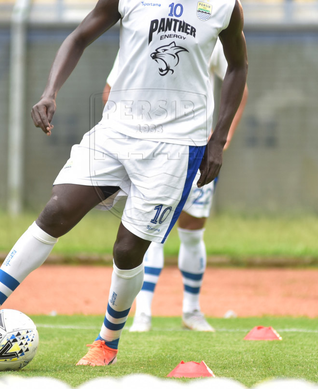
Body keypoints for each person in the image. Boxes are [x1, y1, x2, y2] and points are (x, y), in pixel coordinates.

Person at [0, 0, 248, 367]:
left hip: (177, 146)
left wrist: (218, 137)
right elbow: (78, 37)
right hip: (117, 131)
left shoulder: (224, 4)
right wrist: (50, 91)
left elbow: (237, 67)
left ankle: (107, 343)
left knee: (127, 250)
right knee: (56, 211)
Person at [102, 40, 249, 333]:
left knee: (193, 231)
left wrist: (223, 137)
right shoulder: (141, 33)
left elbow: (239, 83)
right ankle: (142, 313)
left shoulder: (209, 31)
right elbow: (110, 91)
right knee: (149, 231)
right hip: (151, 154)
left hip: (194, 150)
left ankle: (191, 311)